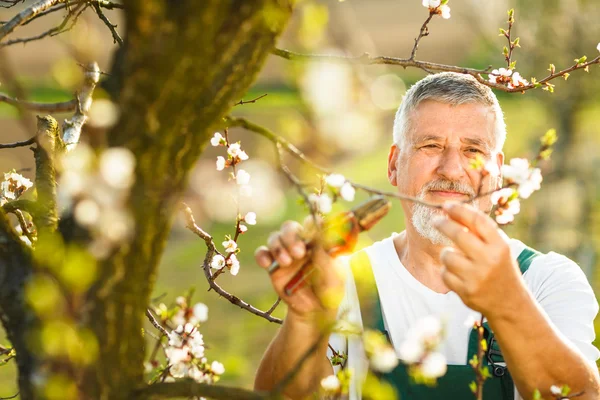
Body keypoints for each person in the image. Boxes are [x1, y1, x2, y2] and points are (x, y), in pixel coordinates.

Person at [253, 72, 600, 400]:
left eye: (472, 151)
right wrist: (304, 317)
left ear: (497, 173)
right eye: (430, 145)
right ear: (393, 164)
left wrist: (507, 301)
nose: (450, 170)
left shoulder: (548, 280)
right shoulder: (345, 281)